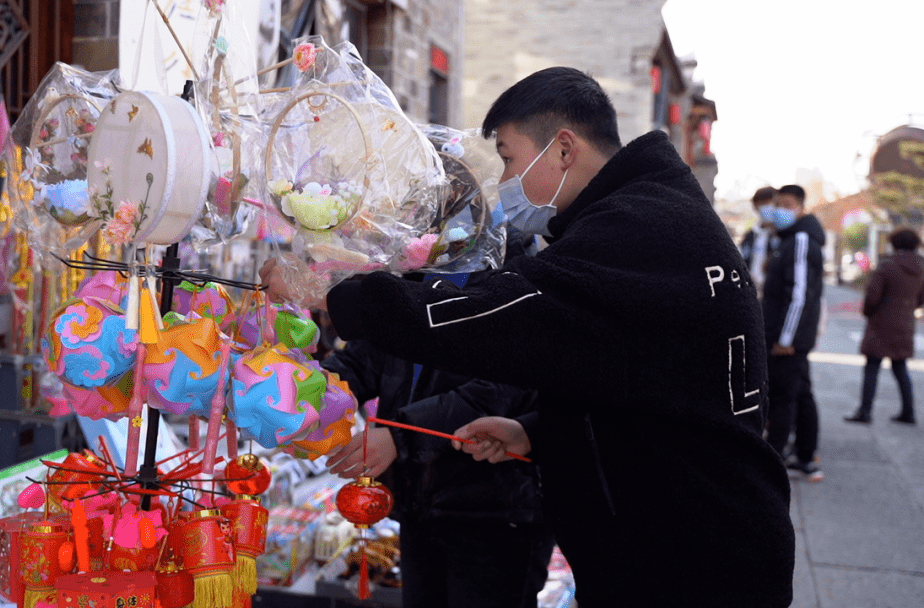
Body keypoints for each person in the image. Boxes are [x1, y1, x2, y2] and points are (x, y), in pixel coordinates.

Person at [261, 67, 794, 607]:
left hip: (691, 557)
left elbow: (496, 318)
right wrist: (536, 432)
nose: (506, 182)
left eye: (511, 159)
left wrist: (334, 292)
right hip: (676, 537)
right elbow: (640, 377)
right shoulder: (647, 217)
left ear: (564, 149)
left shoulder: (635, 230)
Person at [321, 268, 554, 608]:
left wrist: (400, 438)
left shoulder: (517, 282)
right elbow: (365, 361)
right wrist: (303, 387)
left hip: (495, 515)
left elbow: (499, 391)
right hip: (420, 507)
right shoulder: (413, 280)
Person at [763, 184, 826, 481]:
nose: (779, 210)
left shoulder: (800, 239)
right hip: (788, 336)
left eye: (787, 204)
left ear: (800, 207)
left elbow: (799, 294)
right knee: (800, 394)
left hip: (787, 340)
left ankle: (774, 461)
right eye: (778, 204)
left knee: (784, 398)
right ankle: (805, 457)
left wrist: (786, 339)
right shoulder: (789, 239)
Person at [845, 228, 924, 425]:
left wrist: (868, 312)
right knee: (900, 367)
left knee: (872, 367)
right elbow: (921, 298)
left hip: (881, 323)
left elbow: (873, 296)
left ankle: (865, 411)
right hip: (905, 323)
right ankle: (909, 412)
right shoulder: (921, 267)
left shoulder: (887, 265)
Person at [739, 186, 778, 295]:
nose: (765, 208)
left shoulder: (782, 235)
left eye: (768, 203)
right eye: (761, 204)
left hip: (772, 293)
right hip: (752, 291)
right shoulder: (750, 235)